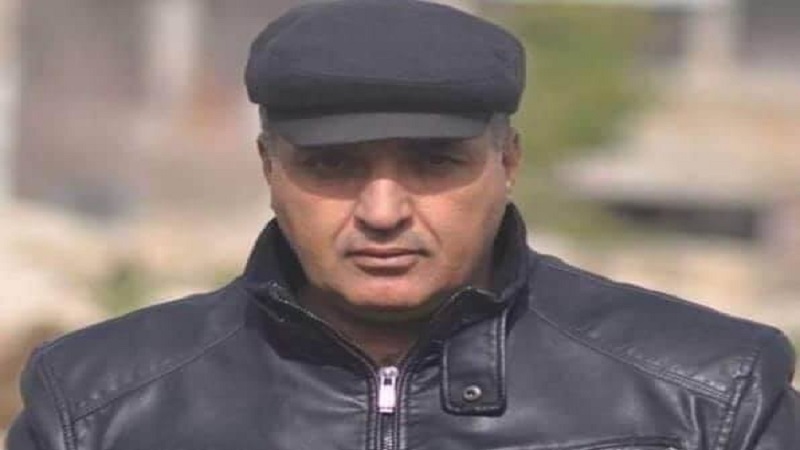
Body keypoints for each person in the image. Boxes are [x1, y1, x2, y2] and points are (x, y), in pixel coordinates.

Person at [7, 1, 798, 449]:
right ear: (269, 168)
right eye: (331, 166)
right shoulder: (97, 405)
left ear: (508, 161)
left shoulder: (712, 397)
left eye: (432, 162)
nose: (382, 212)